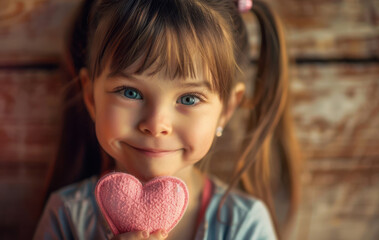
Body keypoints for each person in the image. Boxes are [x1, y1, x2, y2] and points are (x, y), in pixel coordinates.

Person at [34, 0, 302, 239]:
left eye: (189, 99)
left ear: (226, 109)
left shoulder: (243, 224)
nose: (156, 124)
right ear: (91, 97)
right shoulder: (66, 216)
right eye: (131, 92)